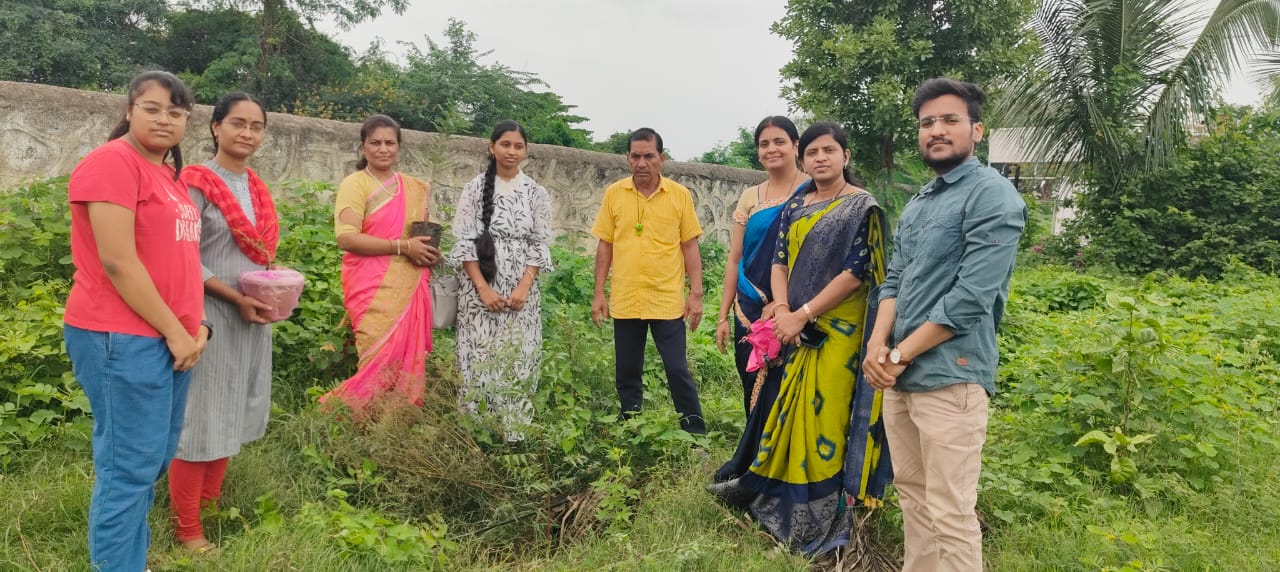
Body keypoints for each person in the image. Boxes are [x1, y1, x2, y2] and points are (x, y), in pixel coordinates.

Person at [863, 78, 1026, 572]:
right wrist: (876, 345)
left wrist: (898, 354)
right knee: (913, 497)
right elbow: (893, 280)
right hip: (900, 378)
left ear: (977, 129)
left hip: (950, 378)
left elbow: (970, 299)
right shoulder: (919, 203)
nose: (936, 130)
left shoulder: (992, 196)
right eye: (927, 122)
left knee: (951, 513)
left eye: (949, 120)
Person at [708, 122, 892, 557]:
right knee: (789, 413)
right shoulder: (796, 206)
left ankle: (829, 516)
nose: (820, 158)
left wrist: (804, 313)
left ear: (845, 155)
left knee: (826, 417)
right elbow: (780, 262)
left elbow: (856, 273)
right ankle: (783, 499)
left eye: (829, 150)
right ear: (803, 159)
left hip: (840, 334)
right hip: (795, 328)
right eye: (813, 153)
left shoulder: (861, 208)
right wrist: (786, 310)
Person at [62, 70, 206, 571]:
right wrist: (174, 331)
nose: (164, 119)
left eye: (176, 112)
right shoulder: (111, 164)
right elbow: (119, 262)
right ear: (129, 110)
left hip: (170, 341)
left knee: (151, 461)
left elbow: (179, 262)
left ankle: (129, 560)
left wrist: (197, 327)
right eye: (152, 108)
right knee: (129, 468)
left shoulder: (166, 175)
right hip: (120, 338)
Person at [169, 92, 277, 554]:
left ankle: (210, 508)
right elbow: (182, 256)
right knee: (200, 419)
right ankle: (187, 529)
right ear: (215, 127)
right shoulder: (194, 183)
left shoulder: (256, 187)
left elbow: (257, 253)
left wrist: (272, 290)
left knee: (231, 410)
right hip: (209, 316)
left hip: (252, 317)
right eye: (237, 123)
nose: (247, 133)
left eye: (256, 126)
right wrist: (236, 296)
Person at [590, 128, 706, 434]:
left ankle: (695, 435)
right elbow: (606, 245)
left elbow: (690, 246)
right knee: (627, 371)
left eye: (649, 156)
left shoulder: (679, 196)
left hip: (666, 298)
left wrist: (696, 294)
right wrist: (598, 293)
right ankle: (632, 429)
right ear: (627, 158)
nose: (642, 163)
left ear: (662, 159)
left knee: (677, 369)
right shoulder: (614, 194)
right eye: (635, 156)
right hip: (626, 297)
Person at [323, 114, 441, 412]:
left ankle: (395, 424)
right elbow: (346, 238)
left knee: (403, 362)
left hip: (408, 284)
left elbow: (418, 238)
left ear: (399, 147)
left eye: (390, 142)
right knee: (375, 359)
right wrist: (403, 247)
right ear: (363, 147)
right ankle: (344, 418)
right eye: (375, 142)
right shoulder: (356, 184)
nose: (383, 149)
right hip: (371, 287)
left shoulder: (412, 187)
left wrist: (427, 253)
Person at [450, 121, 553, 441]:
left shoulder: (536, 192)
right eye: (505, 144)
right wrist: (483, 289)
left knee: (519, 355)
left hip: (522, 293)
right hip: (478, 290)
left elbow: (540, 242)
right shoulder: (474, 188)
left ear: (526, 150)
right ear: (491, 146)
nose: (511, 151)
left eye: (518, 146)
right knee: (478, 355)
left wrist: (524, 285)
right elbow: (464, 242)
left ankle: (514, 436)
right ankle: (477, 434)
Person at [713, 116, 808, 415]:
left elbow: (812, 258)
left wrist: (783, 304)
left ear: (795, 145)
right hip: (747, 309)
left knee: (790, 391)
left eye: (779, 142)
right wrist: (723, 316)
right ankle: (755, 457)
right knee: (750, 385)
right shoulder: (749, 197)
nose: (771, 149)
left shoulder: (812, 191)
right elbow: (735, 258)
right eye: (764, 144)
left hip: (792, 311)